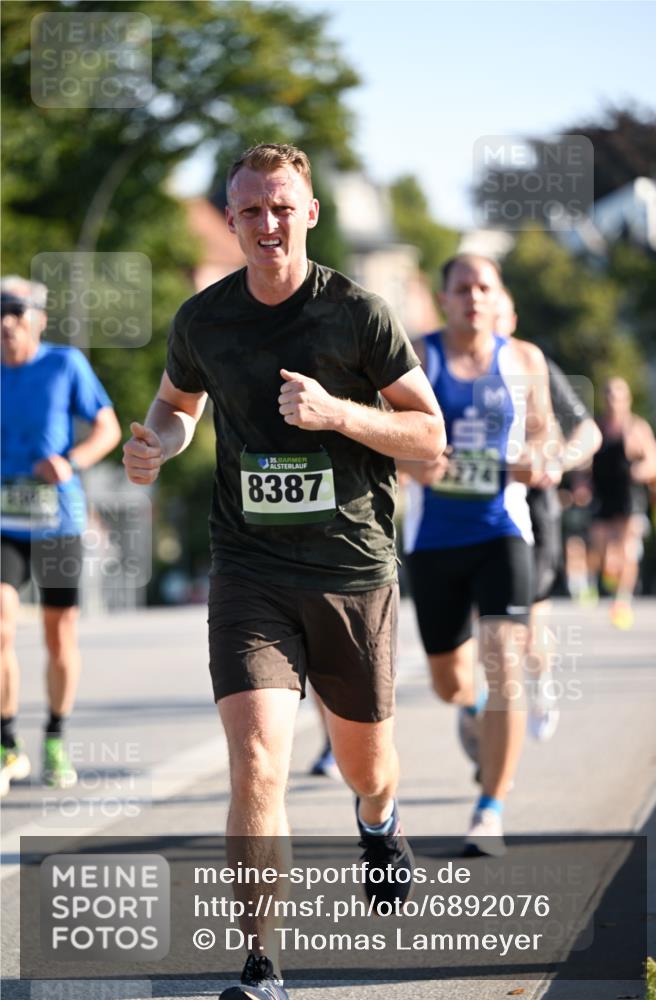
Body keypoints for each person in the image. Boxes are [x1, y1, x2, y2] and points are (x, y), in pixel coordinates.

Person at [123, 143, 445, 1000]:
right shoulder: (204, 320)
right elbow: (176, 404)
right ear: (229, 222)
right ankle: (262, 965)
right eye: (249, 210)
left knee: (363, 764)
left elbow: (430, 439)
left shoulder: (358, 314)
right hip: (249, 567)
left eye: (280, 207)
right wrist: (158, 442)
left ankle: (379, 823)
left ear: (308, 212)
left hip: (350, 567)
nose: (267, 224)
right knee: (259, 760)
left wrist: (339, 412)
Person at [399, 253, 558, 858]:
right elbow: (390, 439)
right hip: (435, 539)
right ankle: (471, 709)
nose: (472, 296)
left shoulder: (523, 360)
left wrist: (538, 459)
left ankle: (490, 808)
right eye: (461, 287)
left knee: (505, 663)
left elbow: (542, 431)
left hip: (502, 531)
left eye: (483, 286)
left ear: (498, 296)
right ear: (443, 298)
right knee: (450, 681)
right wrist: (420, 464)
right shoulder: (420, 355)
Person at [1, 277, 121, 797]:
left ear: (38, 319)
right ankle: (7, 742)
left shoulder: (65, 364)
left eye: (17, 313)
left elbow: (108, 429)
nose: (6, 323)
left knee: (58, 635)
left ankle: (55, 734)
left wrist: (70, 463)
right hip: (4, 520)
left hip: (58, 521)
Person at [494, 288, 601, 741]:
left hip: (532, 508)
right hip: (472, 508)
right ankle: (487, 712)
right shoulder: (447, 365)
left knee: (525, 623)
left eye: (497, 313)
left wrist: (557, 461)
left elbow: (588, 431)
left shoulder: (530, 363)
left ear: (511, 318)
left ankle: (536, 688)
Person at [588, 377, 656, 629]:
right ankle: (611, 573)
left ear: (627, 399)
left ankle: (621, 602)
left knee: (627, 549)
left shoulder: (636, 428)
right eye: (609, 395)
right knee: (603, 552)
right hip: (603, 495)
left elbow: (655, 460)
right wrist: (580, 482)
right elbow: (582, 463)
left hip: (629, 497)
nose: (613, 401)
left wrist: (641, 469)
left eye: (618, 396)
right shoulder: (596, 427)